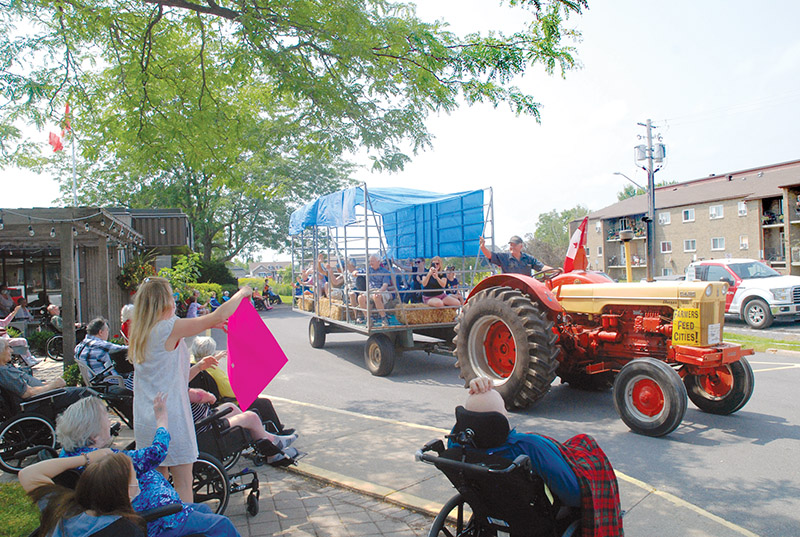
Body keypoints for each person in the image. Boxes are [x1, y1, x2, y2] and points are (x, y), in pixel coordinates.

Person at [128, 276, 252, 503]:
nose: (175, 300)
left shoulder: (140, 333)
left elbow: (167, 377)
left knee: (158, 485)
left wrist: (199, 367)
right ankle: (184, 527)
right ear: (164, 301)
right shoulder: (168, 328)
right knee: (184, 483)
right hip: (171, 417)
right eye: (171, 295)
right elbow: (220, 314)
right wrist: (242, 292)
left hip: (147, 418)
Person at [55, 395, 241, 537]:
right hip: (159, 519)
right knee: (222, 525)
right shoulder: (108, 460)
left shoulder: (69, 456)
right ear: (93, 436)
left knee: (204, 511)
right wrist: (162, 420)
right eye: (105, 420)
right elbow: (156, 453)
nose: (109, 423)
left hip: (158, 511)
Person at [461, 378, 623, 537]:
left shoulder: (461, 450)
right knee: (587, 446)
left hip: (490, 508)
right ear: (501, 420)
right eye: (503, 410)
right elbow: (574, 495)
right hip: (533, 518)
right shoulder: (529, 447)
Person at [19, 448, 147, 537]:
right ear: (123, 491)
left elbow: (29, 473)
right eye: (134, 478)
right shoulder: (127, 531)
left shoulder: (62, 508)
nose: (137, 483)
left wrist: (87, 459)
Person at [0, 337, 91, 408]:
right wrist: (53, 385)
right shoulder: (4, 372)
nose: (11, 351)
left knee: (82, 391)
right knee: (87, 393)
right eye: (8, 348)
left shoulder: (6, 367)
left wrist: (47, 385)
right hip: (41, 402)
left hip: (43, 396)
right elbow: (27, 393)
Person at [479, 235, 552, 276]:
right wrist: (483, 247)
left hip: (526, 286)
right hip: (509, 289)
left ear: (521, 246)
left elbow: (542, 267)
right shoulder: (504, 257)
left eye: (515, 245)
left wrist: (554, 270)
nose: (512, 247)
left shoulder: (528, 259)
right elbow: (490, 255)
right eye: (511, 245)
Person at [355, 255, 394, 326]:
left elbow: (385, 285)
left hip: (381, 290)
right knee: (360, 297)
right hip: (370, 291)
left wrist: (379, 291)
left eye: (372, 261)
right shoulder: (368, 269)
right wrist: (355, 272)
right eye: (370, 261)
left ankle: (384, 318)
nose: (370, 263)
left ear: (378, 262)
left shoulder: (385, 271)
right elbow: (358, 272)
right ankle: (368, 318)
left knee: (376, 296)